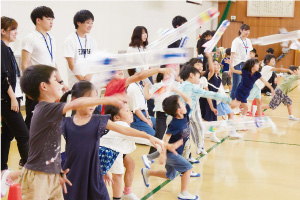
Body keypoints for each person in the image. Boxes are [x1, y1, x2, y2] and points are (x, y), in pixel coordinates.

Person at [18, 64, 125, 200]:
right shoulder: (45, 109)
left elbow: (50, 149)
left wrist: (57, 171)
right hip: (38, 177)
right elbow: (76, 104)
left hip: (50, 174)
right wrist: (107, 99)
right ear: (44, 86)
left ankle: (9, 176)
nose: (60, 84)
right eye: (56, 80)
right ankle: (8, 177)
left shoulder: (50, 110)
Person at [60, 81, 163, 200]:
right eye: (90, 99)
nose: (94, 104)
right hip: (73, 179)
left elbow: (124, 130)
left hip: (95, 178)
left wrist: (149, 137)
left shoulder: (98, 120)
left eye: (96, 99)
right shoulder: (65, 123)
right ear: (75, 100)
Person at [141, 89, 199, 200]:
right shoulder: (174, 124)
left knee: (170, 175)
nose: (184, 103)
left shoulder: (185, 112)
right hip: (171, 153)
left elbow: (188, 99)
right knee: (187, 168)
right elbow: (164, 140)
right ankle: (183, 193)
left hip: (178, 151)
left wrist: (177, 91)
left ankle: (147, 172)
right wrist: (163, 154)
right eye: (181, 103)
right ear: (178, 110)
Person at [101, 104, 164, 200]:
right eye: (126, 111)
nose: (131, 113)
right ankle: (117, 198)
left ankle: (127, 192)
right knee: (118, 175)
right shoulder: (121, 125)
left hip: (108, 149)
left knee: (130, 163)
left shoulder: (116, 124)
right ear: (117, 117)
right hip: (109, 152)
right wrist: (163, 145)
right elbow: (140, 138)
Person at [21, 6, 68, 130]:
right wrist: (27, 88)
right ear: (38, 20)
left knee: (49, 117)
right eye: (48, 19)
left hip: (51, 84)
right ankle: (28, 147)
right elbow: (25, 65)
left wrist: (61, 82)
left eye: (52, 19)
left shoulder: (51, 38)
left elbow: (53, 63)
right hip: (36, 85)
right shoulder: (30, 38)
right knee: (33, 118)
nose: (51, 22)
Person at [1, 16, 29, 196]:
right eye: (12, 29)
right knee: (23, 134)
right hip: (7, 99)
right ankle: (31, 170)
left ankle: (2, 169)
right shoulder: (1, 49)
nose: (15, 33)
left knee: (8, 134)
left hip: (13, 97)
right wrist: (12, 97)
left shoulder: (7, 49)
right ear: (3, 31)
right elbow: (3, 77)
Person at [101, 67, 172, 114]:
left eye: (121, 69)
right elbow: (139, 76)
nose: (120, 70)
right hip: (111, 120)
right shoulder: (117, 83)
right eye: (116, 71)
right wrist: (159, 70)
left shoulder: (112, 85)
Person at [64, 10, 97, 88]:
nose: (90, 25)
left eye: (92, 23)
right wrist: (83, 80)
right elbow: (71, 64)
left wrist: (90, 75)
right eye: (88, 22)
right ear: (78, 22)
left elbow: (95, 61)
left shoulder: (92, 40)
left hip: (91, 82)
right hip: (77, 84)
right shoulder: (70, 40)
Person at [127, 26, 155, 116]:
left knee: (150, 99)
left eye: (146, 32)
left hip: (148, 75)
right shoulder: (131, 49)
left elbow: (150, 64)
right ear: (137, 34)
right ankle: (142, 118)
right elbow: (129, 66)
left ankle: (150, 118)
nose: (145, 35)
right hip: (138, 76)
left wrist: (152, 78)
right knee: (141, 98)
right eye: (143, 33)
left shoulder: (147, 48)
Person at [126, 69, 156, 136]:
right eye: (141, 70)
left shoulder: (139, 85)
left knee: (161, 126)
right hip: (137, 119)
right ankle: (135, 131)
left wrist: (148, 118)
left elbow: (145, 105)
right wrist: (146, 121)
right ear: (135, 73)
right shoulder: (132, 88)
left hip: (143, 115)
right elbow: (136, 110)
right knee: (154, 136)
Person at [229, 24, 253, 105]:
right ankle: (232, 102)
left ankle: (239, 103)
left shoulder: (248, 41)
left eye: (248, 31)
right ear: (241, 30)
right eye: (245, 30)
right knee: (236, 85)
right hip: (237, 64)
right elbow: (232, 54)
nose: (247, 32)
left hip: (246, 65)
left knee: (244, 84)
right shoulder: (236, 41)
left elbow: (250, 54)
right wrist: (230, 67)